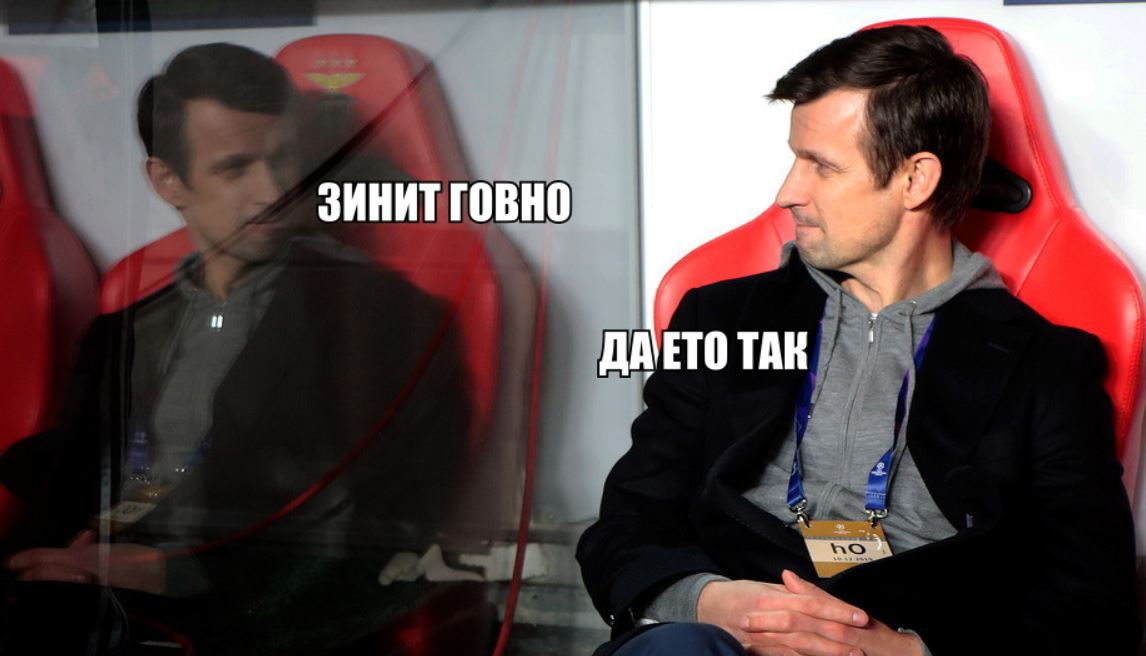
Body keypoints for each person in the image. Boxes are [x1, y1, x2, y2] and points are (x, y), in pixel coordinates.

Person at [577, 25, 1140, 656]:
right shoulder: (720, 318)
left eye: (822, 166)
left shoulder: (1046, 367)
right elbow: (625, 526)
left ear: (916, 179)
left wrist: (908, 650)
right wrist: (711, 602)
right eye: (796, 159)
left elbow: (1095, 606)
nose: (788, 193)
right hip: (718, 634)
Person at [0, 43, 470, 654]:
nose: (272, 190)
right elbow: (73, 483)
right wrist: (78, 547)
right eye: (235, 168)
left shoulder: (385, 320)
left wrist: (170, 573)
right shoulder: (121, 336)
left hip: (252, 618)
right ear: (168, 181)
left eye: (283, 159)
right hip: (94, 603)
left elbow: (378, 529)